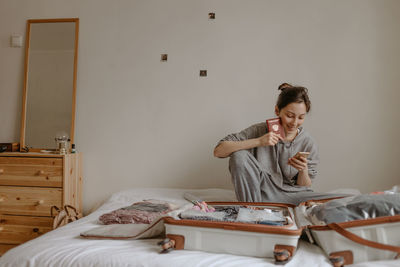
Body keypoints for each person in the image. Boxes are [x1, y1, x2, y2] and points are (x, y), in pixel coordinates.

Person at [214, 83, 348, 205]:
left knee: (345, 200)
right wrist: (259, 141)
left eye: (301, 117)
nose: (294, 123)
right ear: (277, 111)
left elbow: (305, 185)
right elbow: (219, 151)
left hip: (292, 195)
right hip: (260, 195)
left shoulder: (308, 142)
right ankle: (252, 210)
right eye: (290, 115)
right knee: (239, 156)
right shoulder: (259, 130)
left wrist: (303, 170)